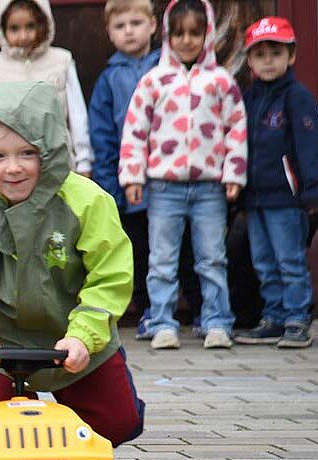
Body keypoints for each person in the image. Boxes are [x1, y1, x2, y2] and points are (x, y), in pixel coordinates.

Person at [0, 81, 144, 447]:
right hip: (3, 347)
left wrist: (85, 335)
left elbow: (111, 277)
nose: (13, 168)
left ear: (50, 150)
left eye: (27, 153)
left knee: (120, 422)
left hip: (76, 340)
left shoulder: (88, 202)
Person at [118, 0, 248, 350]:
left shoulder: (220, 81)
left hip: (210, 187)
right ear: (167, 36)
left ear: (208, 34)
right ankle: (162, 322)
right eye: (179, 34)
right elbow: (135, 131)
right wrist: (133, 176)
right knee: (162, 259)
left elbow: (236, 128)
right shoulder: (153, 81)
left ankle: (217, 321)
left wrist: (234, 173)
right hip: (164, 187)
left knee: (212, 258)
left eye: (194, 33)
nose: (187, 41)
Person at [89, 0, 205, 340]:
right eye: (120, 25)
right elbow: (103, 138)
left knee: (186, 249)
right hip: (133, 185)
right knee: (140, 253)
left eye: (136, 23)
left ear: (154, 26)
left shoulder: (172, 68)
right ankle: (148, 310)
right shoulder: (108, 79)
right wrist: (110, 188)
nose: (129, 31)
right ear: (109, 32)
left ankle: (199, 308)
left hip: (174, 180)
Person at [231, 17, 318, 348]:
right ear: (249, 60)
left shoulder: (297, 97)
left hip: (287, 198)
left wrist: (314, 192)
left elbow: (309, 147)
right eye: (260, 55)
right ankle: (273, 317)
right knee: (264, 261)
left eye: (276, 53)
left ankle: (297, 318)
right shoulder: (248, 99)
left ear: (292, 55)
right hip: (255, 197)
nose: (268, 61)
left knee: (290, 261)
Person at [0, 0, 93, 182]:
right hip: (11, 167)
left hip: (57, 163)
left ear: (43, 23)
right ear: (2, 28)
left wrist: (84, 160)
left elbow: (77, 115)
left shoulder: (61, 62)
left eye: (30, 26)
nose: (23, 36)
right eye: (14, 28)